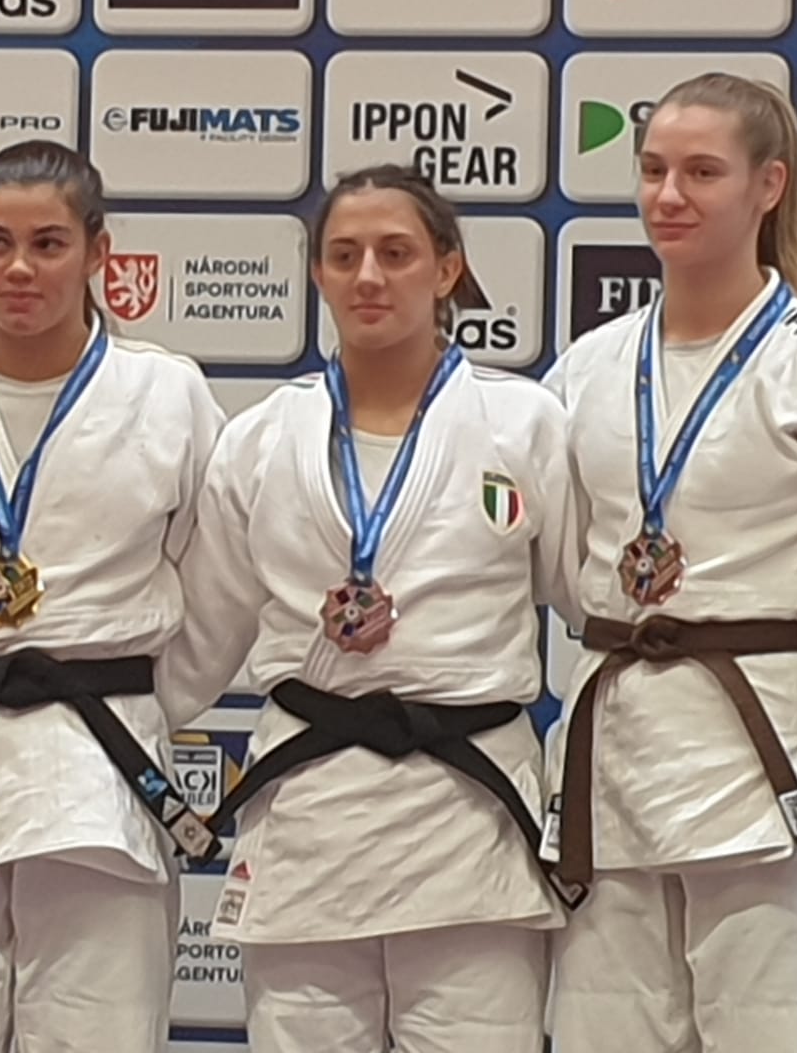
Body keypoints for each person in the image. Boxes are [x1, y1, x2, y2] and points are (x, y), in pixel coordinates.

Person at [541, 72, 797, 1052]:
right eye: (653, 170)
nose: (668, 195)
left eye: (701, 172)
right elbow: (558, 568)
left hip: (764, 760)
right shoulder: (587, 368)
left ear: (768, 185)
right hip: (613, 760)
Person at [159, 164, 582, 1053]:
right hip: (313, 815)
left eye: (396, 253)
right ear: (317, 273)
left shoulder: (524, 423)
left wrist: (766, 606)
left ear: (447, 269)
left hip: (468, 816)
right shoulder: (261, 439)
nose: (368, 277)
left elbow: (595, 596)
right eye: (344, 255)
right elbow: (198, 641)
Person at [0, 139, 226, 1053]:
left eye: (48, 244)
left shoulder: (165, 393)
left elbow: (217, 583)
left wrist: (138, 699)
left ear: (99, 253)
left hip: (96, 771)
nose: (19, 268)